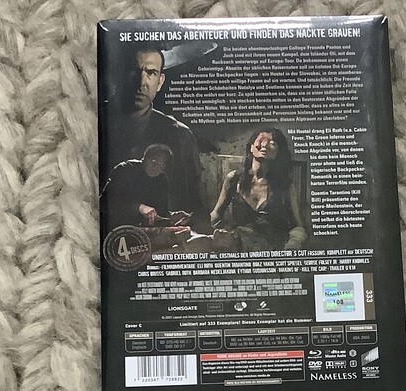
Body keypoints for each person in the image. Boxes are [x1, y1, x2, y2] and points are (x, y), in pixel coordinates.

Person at [104, 46, 202, 216]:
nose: (142, 82)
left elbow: (195, 206)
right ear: (120, 75)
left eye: (151, 73)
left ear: (160, 81)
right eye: (134, 72)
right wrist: (138, 208)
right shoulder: (92, 120)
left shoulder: (180, 135)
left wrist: (175, 217)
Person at [209, 127, 305, 251]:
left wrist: (293, 245)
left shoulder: (285, 185)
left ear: (278, 153)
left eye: (272, 143)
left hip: (272, 250)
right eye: (261, 140)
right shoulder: (233, 179)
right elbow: (216, 215)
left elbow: (298, 227)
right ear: (251, 147)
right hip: (240, 247)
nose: (264, 145)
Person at [101, 143, 186, 226]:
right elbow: (105, 203)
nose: (156, 166)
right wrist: (139, 207)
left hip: (141, 230)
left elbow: (160, 211)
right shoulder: (125, 169)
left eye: (161, 164)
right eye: (154, 160)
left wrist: (171, 217)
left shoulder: (162, 180)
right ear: (144, 158)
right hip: (114, 225)